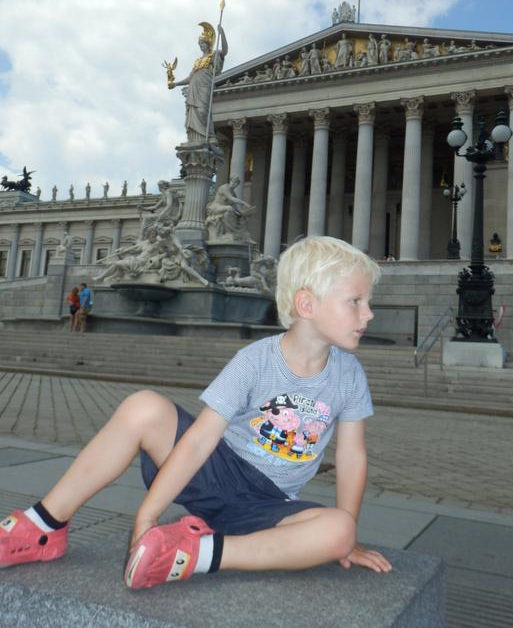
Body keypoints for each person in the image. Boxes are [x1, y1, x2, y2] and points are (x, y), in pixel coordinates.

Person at [0, 237, 391, 588]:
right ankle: (44, 525)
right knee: (142, 406)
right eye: (356, 301)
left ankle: (195, 553)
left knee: (337, 529)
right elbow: (201, 439)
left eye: (367, 302)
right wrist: (147, 516)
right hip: (216, 473)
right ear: (307, 304)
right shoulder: (254, 360)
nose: (369, 313)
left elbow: (351, 456)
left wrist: (349, 538)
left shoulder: (349, 374)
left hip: (270, 504)